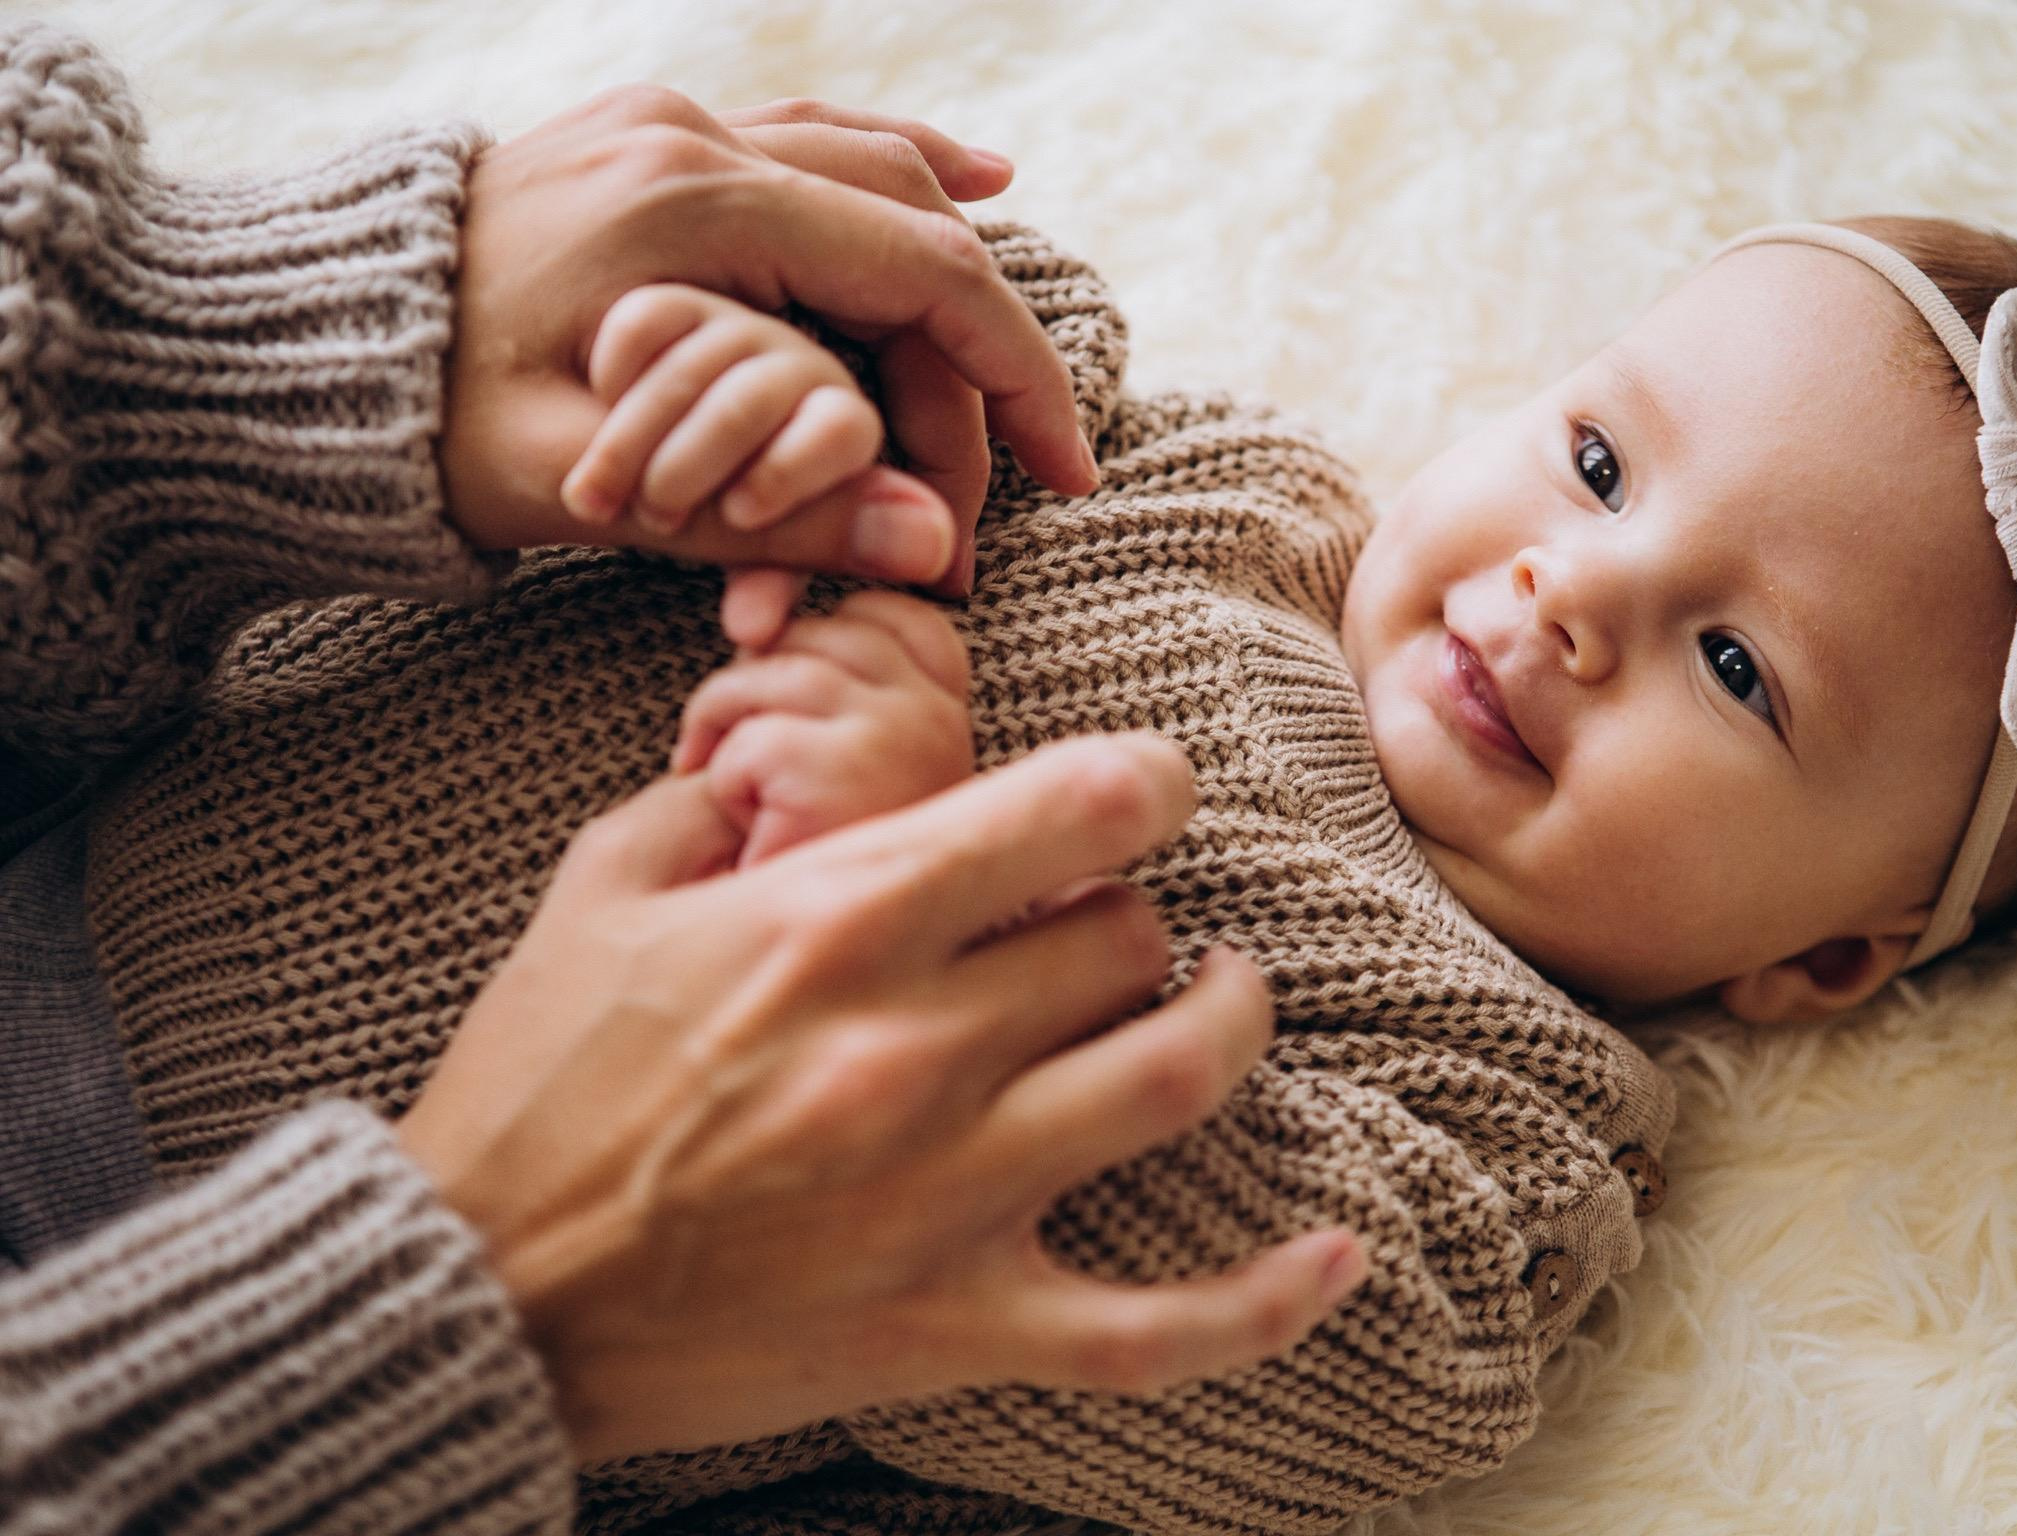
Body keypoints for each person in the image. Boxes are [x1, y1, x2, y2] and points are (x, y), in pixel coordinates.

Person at [0, 23, 1368, 1535]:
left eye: (1699, 663)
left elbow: (1305, 1355)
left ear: (1700, 978)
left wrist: (928, 914)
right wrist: (750, 385)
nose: (1574, 604)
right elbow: (1000, 358)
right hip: (101, 773)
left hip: (160, 1284)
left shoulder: (1521, 1102)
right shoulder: (1241, 496)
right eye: (1597, 463)